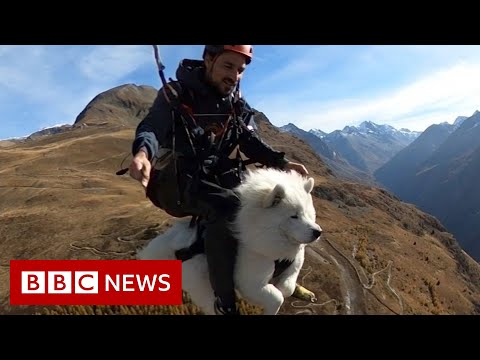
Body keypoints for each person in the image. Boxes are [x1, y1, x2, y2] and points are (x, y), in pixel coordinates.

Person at [129, 45, 308, 315]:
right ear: (208, 60)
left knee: (272, 203)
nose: (234, 75)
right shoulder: (177, 95)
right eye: (228, 66)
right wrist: (143, 153)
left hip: (216, 174)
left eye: (240, 70)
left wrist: (281, 163)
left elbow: (247, 139)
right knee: (227, 208)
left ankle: (282, 277)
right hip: (178, 181)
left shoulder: (234, 102)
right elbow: (153, 126)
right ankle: (224, 302)